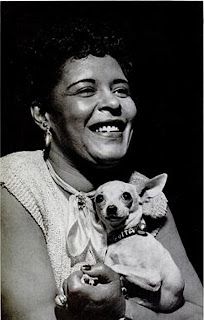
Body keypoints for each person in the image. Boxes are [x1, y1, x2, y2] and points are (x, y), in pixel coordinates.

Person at [1, 18, 202, 320]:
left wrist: (124, 309)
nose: (112, 102)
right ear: (43, 115)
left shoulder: (142, 196)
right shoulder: (17, 182)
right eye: (86, 90)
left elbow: (199, 312)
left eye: (121, 90)